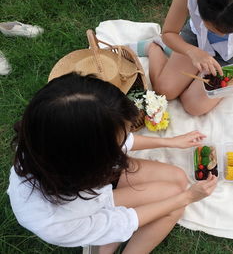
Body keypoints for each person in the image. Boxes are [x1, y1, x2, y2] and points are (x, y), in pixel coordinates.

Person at [7, 73, 218, 254]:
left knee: (178, 179)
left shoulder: (48, 137)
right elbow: (123, 221)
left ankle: (104, 243)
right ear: (93, 157)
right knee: (175, 201)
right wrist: (188, 197)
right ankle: (104, 244)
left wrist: (169, 142)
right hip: (85, 211)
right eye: (119, 138)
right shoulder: (56, 221)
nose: (126, 140)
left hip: (88, 191)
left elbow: (116, 140)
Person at [129, 0, 233, 116]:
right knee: (165, 90)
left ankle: (176, 58)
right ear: (199, 1)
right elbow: (169, 33)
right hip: (196, 40)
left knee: (194, 107)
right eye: (213, 28)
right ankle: (154, 47)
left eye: (231, 30)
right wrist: (191, 52)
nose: (222, 36)